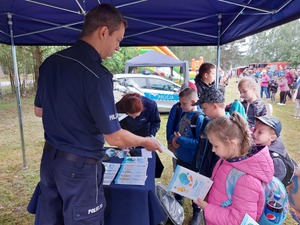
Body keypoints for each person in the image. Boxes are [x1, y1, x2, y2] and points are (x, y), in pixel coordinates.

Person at [33, 4, 161, 224]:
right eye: (118, 39)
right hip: (79, 167)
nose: (118, 47)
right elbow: (114, 137)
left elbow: (39, 110)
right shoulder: (97, 74)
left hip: (50, 161)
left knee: (51, 219)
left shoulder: (51, 63)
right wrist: (145, 141)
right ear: (103, 32)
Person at [193, 112, 274, 225]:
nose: (212, 150)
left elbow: (239, 221)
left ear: (232, 144)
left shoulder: (247, 181)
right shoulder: (225, 160)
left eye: (216, 146)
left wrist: (207, 208)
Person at [170, 87, 205, 225]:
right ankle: (177, 206)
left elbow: (199, 143)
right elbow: (178, 131)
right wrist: (173, 138)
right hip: (181, 158)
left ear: (194, 101)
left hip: (192, 160)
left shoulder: (200, 118)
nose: (181, 106)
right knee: (179, 184)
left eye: (184, 103)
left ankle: (196, 212)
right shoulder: (184, 114)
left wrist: (180, 140)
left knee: (194, 187)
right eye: (180, 103)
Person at [116, 92, 164, 177]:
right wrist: (121, 142)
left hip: (144, 134)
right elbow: (115, 128)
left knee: (151, 166)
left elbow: (156, 123)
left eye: (136, 116)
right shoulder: (118, 107)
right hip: (126, 135)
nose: (134, 118)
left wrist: (149, 136)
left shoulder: (150, 105)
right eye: (130, 116)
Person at [253, 115, 295, 186]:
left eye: (260, 132)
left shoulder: (275, 159)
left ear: (272, 138)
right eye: (254, 129)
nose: (254, 134)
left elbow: (276, 182)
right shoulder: (260, 143)